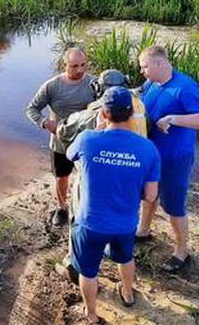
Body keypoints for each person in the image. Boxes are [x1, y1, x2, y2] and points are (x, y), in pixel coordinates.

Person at [67, 87, 160, 324]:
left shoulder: (88, 139)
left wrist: (98, 130)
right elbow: (151, 195)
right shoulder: (148, 148)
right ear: (131, 113)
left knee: (88, 271)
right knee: (125, 258)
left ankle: (91, 314)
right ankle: (127, 293)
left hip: (90, 222)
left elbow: (69, 155)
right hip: (125, 222)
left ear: (104, 113)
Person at [55, 69, 147, 283]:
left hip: (92, 180)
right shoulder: (139, 109)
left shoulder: (90, 116)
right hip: (128, 180)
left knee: (78, 218)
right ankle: (122, 270)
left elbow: (64, 132)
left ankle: (74, 265)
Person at [136, 45, 199, 272]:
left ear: (159, 64)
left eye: (144, 67)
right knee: (149, 194)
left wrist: (173, 118)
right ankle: (143, 230)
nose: (142, 71)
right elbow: (140, 94)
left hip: (174, 158)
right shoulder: (152, 82)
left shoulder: (185, 87)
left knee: (174, 206)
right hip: (152, 153)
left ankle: (181, 252)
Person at [26, 47, 96, 226]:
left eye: (83, 65)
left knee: (88, 176)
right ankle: (62, 207)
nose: (80, 70)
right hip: (60, 143)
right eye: (74, 66)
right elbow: (32, 109)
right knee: (61, 177)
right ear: (64, 65)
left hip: (88, 142)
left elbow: (107, 108)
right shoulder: (52, 86)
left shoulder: (95, 84)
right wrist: (45, 123)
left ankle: (86, 207)